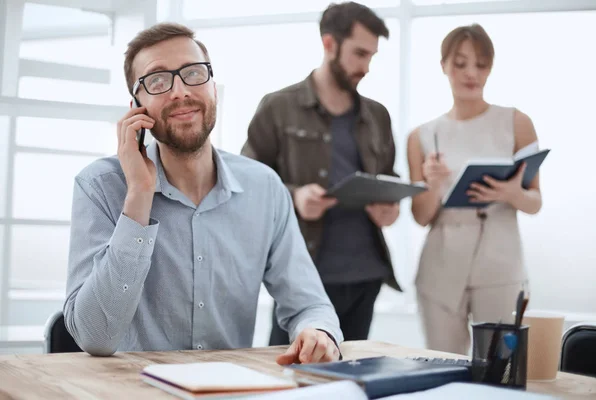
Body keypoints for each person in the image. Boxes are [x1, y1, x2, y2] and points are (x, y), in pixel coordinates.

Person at [63, 22, 343, 364]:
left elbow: (309, 303)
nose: (180, 91)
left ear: (213, 86)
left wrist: (317, 331)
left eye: (193, 73)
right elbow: (95, 337)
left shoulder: (265, 188)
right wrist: (139, 194)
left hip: (229, 389)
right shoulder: (99, 186)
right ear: (137, 105)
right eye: (158, 80)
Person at [241, 1, 402, 346]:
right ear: (329, 44)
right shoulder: (278, 107)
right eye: (359, 54)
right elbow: (247, 183)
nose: (366, 66)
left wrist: (390, 207)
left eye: (372, 56)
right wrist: (295, 195)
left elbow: (389, 177)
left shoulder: (378, 115)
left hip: (366, 276)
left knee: (348, 382)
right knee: (283, 379)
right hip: (303, 276)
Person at [407, 23, 543, 355]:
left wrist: (510, 193)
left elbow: (535, 201)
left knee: (501, 370)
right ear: (444, 66)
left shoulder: (516, 121)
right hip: (439, 267)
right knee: (443, 368)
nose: (471, 73)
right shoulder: (421, 135)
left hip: (500, 262)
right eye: (460, 63)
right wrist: (434, 184)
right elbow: (422, 217)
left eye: (481, 64)